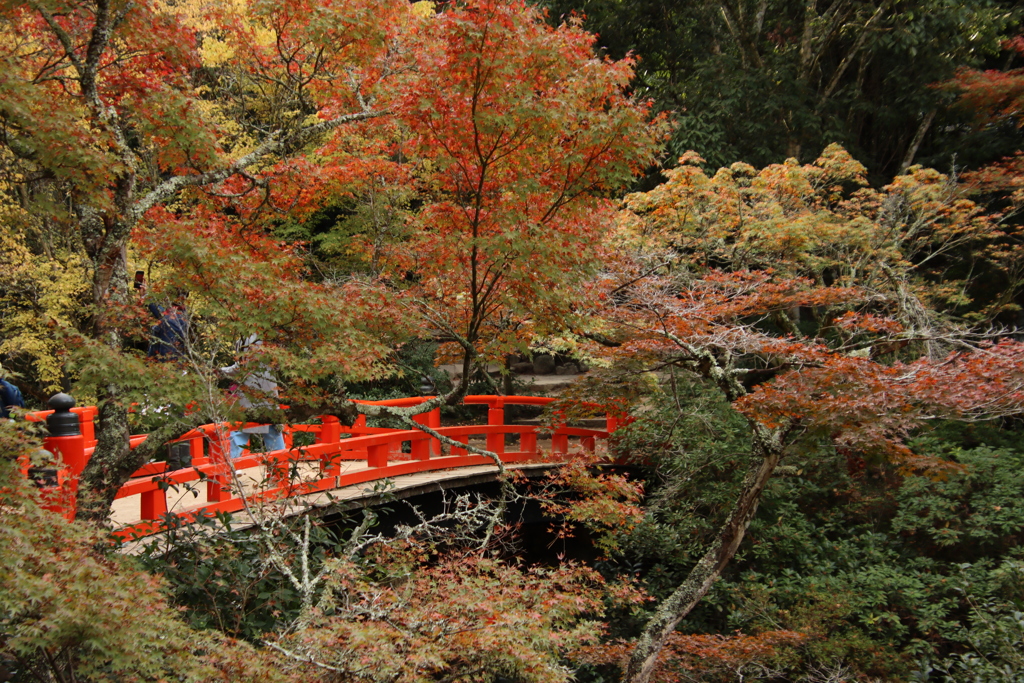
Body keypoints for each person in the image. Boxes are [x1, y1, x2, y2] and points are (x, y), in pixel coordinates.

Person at [221, 335, 285, 459]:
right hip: (265, 392)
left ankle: (231, 467)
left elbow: (239, 367)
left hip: (251, 391)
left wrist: (221, 371)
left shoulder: (244, 337)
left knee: (240, 430)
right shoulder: (267, 335)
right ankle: (281, 468)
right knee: (272, 432)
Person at [146, 291, 188, 360]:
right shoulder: (176, 315)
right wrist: (146, 295)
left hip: (167, 367)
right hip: (172, 365)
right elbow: (161, 313)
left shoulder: (171, 320)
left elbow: (167, 351)